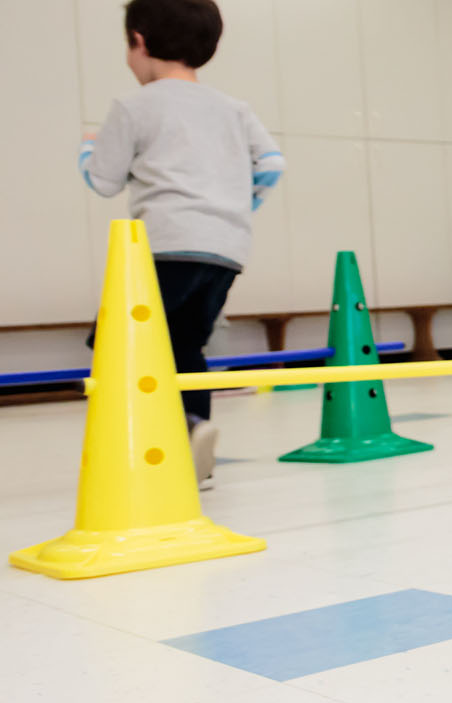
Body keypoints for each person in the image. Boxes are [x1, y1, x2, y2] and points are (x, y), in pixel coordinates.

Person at [80, 0, 284, 490]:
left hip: (166, 245)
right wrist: (233, 209)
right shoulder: (233, 108)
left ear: (140, 41)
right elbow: (273, 165)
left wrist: (89, 146)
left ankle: (167, 438)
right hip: (226, 248)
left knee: (118, 346)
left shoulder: (134, 106)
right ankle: (196, 454)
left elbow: (103, 181)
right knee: (186, 344)